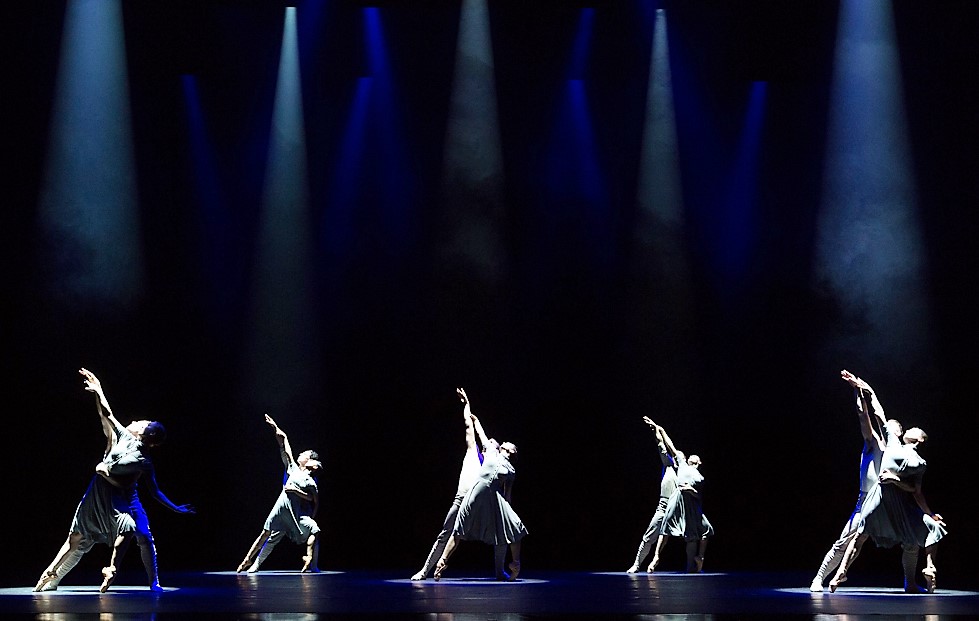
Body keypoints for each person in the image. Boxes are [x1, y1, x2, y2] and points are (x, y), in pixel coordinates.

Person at [34, 368, 195, 593]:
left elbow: (152, 491)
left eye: (141, 422)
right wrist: (98, 389)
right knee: (78, 539)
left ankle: (151, 581)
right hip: (100, 493)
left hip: (125, 498)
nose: (136, 420)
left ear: (144, 434)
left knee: (143, 536)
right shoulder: (123, 436)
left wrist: (175, 508)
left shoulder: (143, 460)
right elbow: (107, 414)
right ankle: (52, 578)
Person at [827, 376, 946, 593]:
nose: (912, 428)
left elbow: (916, 491)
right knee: (860, 533)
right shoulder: (892, 440)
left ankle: (927, 569)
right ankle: (841, 572)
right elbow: (876, 411)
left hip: (898, 502)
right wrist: (865, 387)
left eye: (916, 430)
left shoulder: (920, 462)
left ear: (919, 440)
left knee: (931, 528)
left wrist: (928, 511)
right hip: (880, 496)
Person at [432, 393, 527, 581]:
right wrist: (470, 410)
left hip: (494, 500)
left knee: (515, 528)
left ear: (512, 451)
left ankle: (514, 566)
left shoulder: (511, 471)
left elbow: (507, 494)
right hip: (476, 493)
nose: (504, 441)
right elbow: (479, 431)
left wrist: (508, 513)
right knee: (459, 529)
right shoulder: (491, 450)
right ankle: (441, 563)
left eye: (508, 444)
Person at [809, 370, 886, 592]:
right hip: (866, 501)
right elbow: (866, 417)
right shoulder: (875, 444)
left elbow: (882, 417)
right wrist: (858, 391)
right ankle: (820, 577)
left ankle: (910, 581)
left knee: (911, 539)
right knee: (846, 542)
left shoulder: (896, 450)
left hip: (886, 503)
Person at [411, 388, 484, 580]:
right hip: (461, 499)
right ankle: (425, 570)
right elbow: (469, 425)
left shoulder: (492, 467)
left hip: (478, 506)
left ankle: (502, 571)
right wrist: (467, 404)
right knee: (446, 533)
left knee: (497, 534)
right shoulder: (472, 453)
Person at [236, 414, 322, 573]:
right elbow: (284, 440)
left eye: (304, 454)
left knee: (314, 531)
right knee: (267, 534)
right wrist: (275, 426)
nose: (301, 454)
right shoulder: (292, 468)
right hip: (281, 508)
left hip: (294, 514)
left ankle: (313, 564)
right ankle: (250, 561)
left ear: (311, 463)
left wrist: (297, 493)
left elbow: (314, 500)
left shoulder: (310, 481)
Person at [652, 425, 713, 573]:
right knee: (665, 528)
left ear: (699, 462)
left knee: (705, 531)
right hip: (678, 501)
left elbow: (698, 495)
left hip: (692, 507)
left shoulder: (700, 477)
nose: (692, 456)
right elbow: (670, 445)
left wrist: (691, 490)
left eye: (695, 457)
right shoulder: (682, 464)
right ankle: (656, 557)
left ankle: (698, 560)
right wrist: (660, 429)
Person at [626, 416, 677, 573]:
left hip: (678, 508)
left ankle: (693, 565)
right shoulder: (670, 464)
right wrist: (656, 428)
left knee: (693, 535)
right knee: (649, 536)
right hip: (664, 505)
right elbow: (664, 444)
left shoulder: (687, 471)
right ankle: (637, 564)